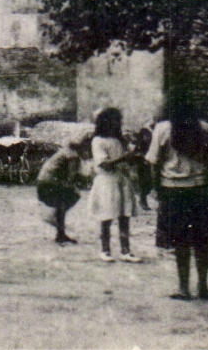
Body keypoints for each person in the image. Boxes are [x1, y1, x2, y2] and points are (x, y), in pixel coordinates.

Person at [146, 99, 208, 300]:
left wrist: (156, 188)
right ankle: (203, 286)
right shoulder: (204, 128)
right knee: (203, 241)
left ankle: (183, 288)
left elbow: (153, 162)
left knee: (180, 242)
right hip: (202, 191)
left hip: (173, 191)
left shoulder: (162, 129)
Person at [88, 107, 142, 262]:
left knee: (124, 215)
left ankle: (126, 250)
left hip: (121, 180)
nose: (118, 123)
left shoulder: (118, 140)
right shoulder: (98, 141)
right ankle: (105, 250)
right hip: (107, 181)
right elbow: (104, 164)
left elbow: (125, 161)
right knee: (107, 216)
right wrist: (125, 157)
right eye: (115, 120)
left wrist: (134, 156)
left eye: (119, 120)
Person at [35, 135, 90, 244]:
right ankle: (55, 220)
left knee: (65, 199)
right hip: (50, 184)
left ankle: (59, 230)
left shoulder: (65, 151)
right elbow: (71, 177)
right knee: (71, 195)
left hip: (43, 183)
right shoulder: (73, 156)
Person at [131, 125, 155, 211]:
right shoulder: (139, 142)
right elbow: (135, 152)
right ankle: (143, 200)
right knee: (144, 183)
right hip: (141, 163)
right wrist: (141, 156)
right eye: (145, 136)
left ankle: (143, 199)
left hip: (149, 163)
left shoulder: (151, 140)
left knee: (150, 183)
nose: (147, 137)